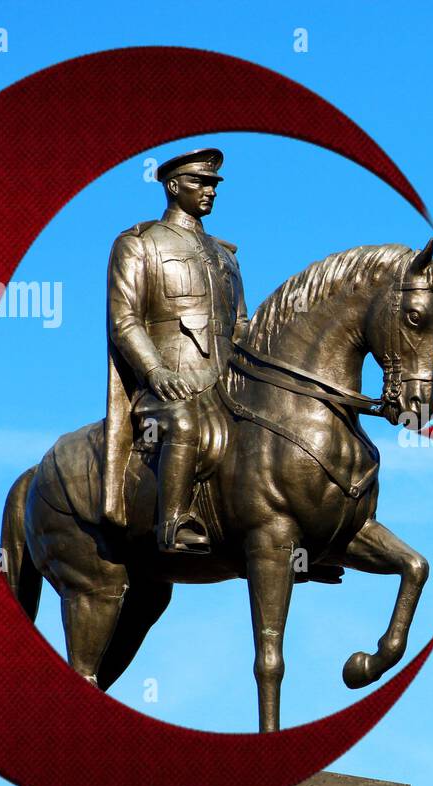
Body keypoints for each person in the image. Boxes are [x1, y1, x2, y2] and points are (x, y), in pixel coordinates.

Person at [101, 147, 247, 553]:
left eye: (214, 184)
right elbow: (125, 320)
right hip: (169, 389)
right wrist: (156, 373)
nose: (210, 191)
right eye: (200, 182)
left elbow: (241, 325)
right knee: (184, 425)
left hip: (225, 389)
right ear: (172, 185)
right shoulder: (139, 243)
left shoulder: (226, 256)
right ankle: (174, 523)